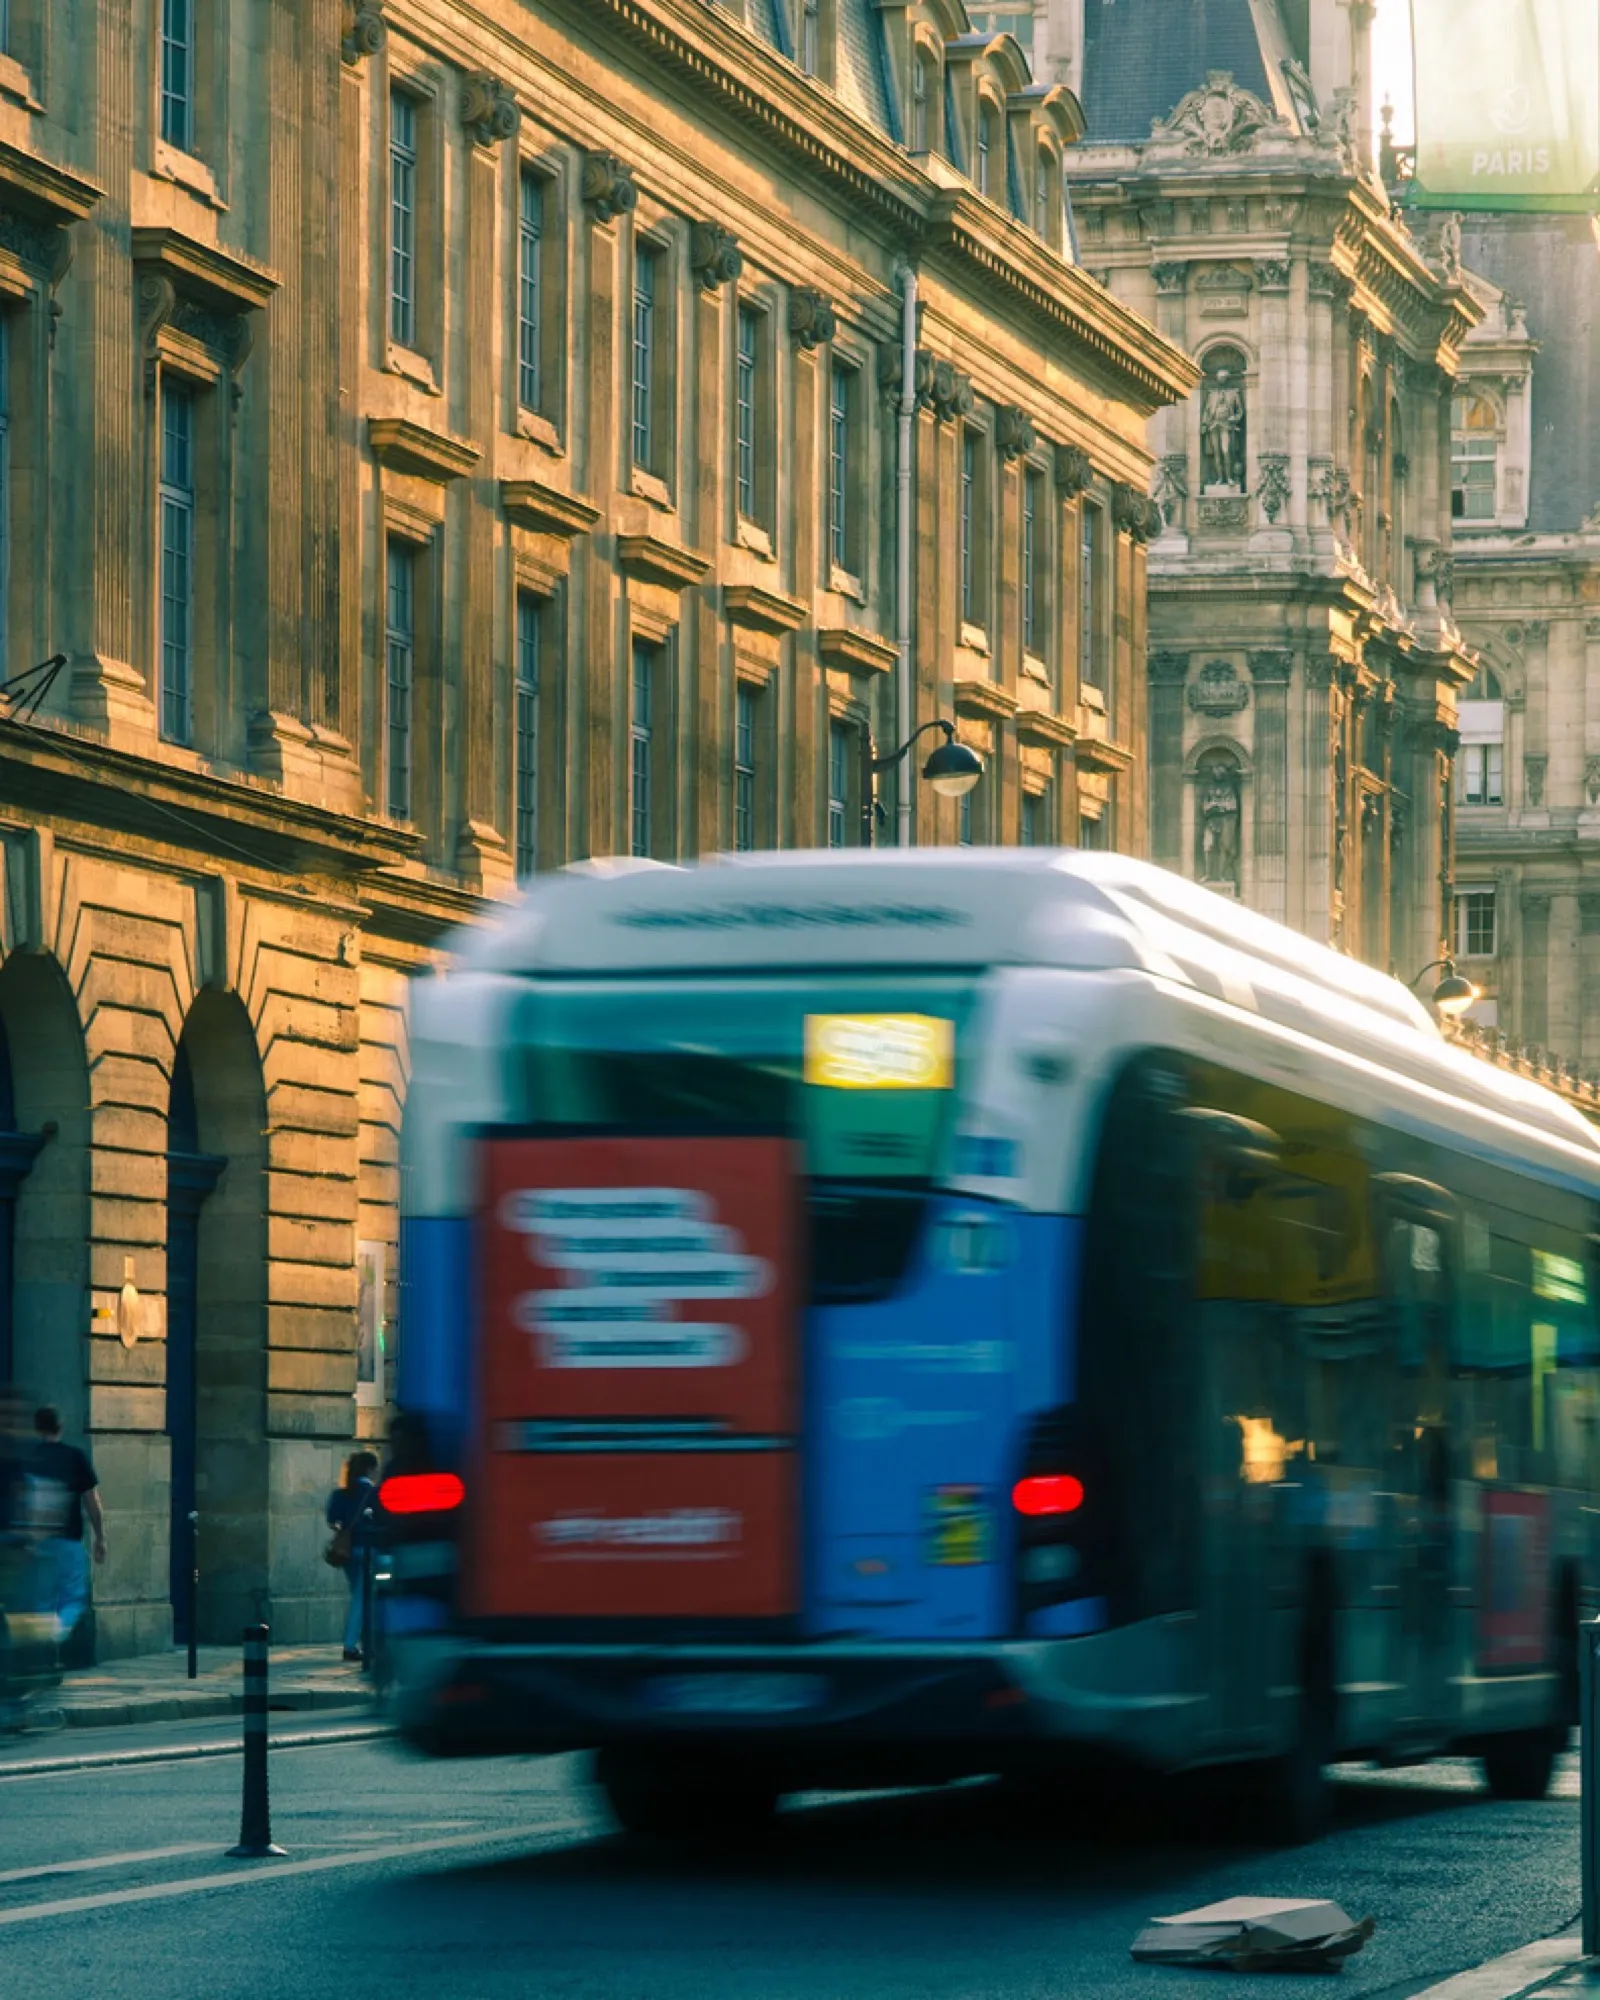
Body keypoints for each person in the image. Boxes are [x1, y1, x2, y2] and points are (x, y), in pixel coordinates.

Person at [27, 1407, 106, 1647]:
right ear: (61, 1426)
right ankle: (54, 1638)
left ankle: (41, 1652)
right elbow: (92, 1502)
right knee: (72, 1598)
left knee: (42, 1600)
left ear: (37, 1428)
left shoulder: (30, 1458)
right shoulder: (75, 1457)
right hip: (68, 1540)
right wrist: (100, 1537)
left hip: (37, 1542)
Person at [326, 1451, 379, 1662]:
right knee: (361, 1598)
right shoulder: (373, 1493)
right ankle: (350, 1646)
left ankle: (362, 1643)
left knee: (359, 1595)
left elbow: (333, 1520)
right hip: (368, 1550)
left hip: (346, 1552)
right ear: (370, 1469)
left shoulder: (340, 1494)